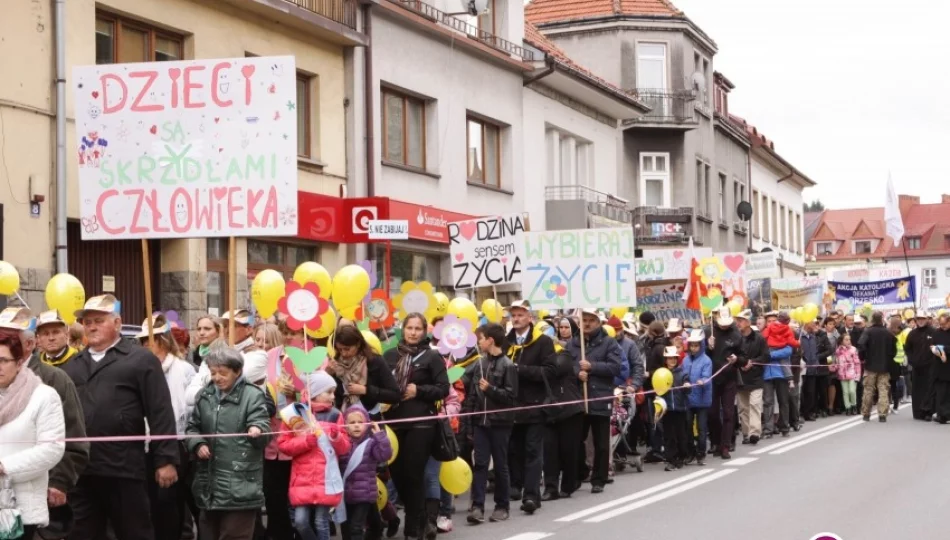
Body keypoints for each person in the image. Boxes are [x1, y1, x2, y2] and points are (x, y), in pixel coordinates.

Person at [62, 295, 179, 540]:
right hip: (83, 469)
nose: (91, 326)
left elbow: (160, 411)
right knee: (83, 533)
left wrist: (165, 459)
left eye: (98, 320)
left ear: (117, 323)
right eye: (87, 322)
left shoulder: (140, 359)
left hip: (124, 467)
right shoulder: (73, 366)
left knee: (133, 531)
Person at [1, 309, 88, 539]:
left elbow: (72, 437)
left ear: (28, 345)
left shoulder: (53, 382)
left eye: (9, 339)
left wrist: (60, 482)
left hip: (38, 491)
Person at [187, 347, 270, 540]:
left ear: (237, 371)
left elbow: (264, 427)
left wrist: (257, 429)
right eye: (213, 372)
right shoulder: (204, 396)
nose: (217, 378)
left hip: (240, 485)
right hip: (208, 485)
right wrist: (197, 444)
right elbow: (192, 428)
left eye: (223, 373)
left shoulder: (253, 395)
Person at [382, 313, 449, 540]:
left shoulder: (431, 357)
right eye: (409, 328)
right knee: (398, 476)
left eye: (417, 328)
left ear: (424, 331)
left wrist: (418, 391)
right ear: (403, 330)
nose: (413, 332)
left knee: (413, 474)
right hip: (394, 423)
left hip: (421, 423)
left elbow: (443, 388)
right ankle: (419, 518)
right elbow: (380, 385)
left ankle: (414, 528)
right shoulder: (390, 355)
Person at [135, 314, 197, 540]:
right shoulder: (140, 370)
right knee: (150, 501)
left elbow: (190, 407)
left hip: (176, 442)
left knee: (169, 501)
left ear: (161, 341)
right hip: (145, 443)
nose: (145, 346)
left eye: (149, 341)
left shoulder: (183, 369)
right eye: (143, 342)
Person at [0, 331, 66, 540]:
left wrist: (4, 468)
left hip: (18, 507)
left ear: (19, 363)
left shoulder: (43, 396)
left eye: (3, 360)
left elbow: (51, 449)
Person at [278, 371, 351, 540]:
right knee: (301, 522)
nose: (333, 396)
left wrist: (336, 437)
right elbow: (284, 445)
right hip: (302, 479)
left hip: (325, 478)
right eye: (329, 392)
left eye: (334, 392)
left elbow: (345, 448)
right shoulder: (294, 413)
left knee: (321, 522)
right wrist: (307, 441)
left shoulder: (335, 415)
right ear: (315, 393)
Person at [504, 300, 555, 515]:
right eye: (513, 315)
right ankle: (516, 486)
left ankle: (532, 495)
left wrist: (520, 370)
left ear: (529, 318)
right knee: (514, 450)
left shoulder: (542, 342)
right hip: (512, 407)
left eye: (520, 315)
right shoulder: (506, 342)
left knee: (533, 451)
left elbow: (550, 371)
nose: (516, 319)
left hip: (534, 406)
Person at [463, 323, 518, 524]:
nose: (479, 342)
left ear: (490, 340)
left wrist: (491, 389)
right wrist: (469, 424)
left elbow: (512, 397)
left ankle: (502, 506)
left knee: (501, 465)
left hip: (500, 424)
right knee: (480, 465)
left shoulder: (508, 366)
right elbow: (471, 397)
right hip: (480, 423)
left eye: (481, 338)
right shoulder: (479, 364)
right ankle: (477, 506)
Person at [566, 308, 622, 493]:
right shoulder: (573, 344)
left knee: (601, 442)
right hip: (579, 399)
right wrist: (576, 372)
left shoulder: (609, 343)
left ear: (598, 322)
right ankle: (578, 474)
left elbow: (615, 368)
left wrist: (592, 367)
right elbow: (565, 367)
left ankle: (599, 478)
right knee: (575, 440)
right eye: (584, 320)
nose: (587, 323)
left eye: (591, 320)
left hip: (600, 397)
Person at [339, 405, 393, 540]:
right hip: (346, 494)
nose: (356, 426)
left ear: (367, 424)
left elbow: (384, 455)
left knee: (356, 527)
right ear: (345, 426)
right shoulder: (343, 444)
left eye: (360, 422)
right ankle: (376, 530)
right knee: (347, 528)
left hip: (365, 493)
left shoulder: (371, 443)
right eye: (352, 423)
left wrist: (380, 436)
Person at [541, 348, 584, 500]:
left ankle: (568, 485)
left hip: (570, 410)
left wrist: (538, 367)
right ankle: (551, 488)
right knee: (549, 451)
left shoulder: (563, 354)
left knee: (569, 450)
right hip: (548, 411)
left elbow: (560, 367)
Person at [330, 325, 401, 414]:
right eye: (339, 349)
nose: (343, 353)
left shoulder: (375, 361)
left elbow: (395, 395)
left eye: (347, 349)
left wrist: (366, 390)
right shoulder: (335, 365)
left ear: (358, 344)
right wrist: (328, 374)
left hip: (371, 417)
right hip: (344, 418)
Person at [705, 306, 742, 460]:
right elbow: (700, 355)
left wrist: (737, 359)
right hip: (712, 377)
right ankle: (716, 441)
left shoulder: (736, 334)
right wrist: (708, 347)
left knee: (728, 413)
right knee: (712, 413)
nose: (724, 325)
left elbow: (743, 356)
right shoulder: (708, 332)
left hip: (729, 378)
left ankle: (726, 445)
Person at [734, 310, 768, 446]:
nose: (738, 323)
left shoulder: (759, 338)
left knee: (754, 405)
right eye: (737, 320)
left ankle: (754, 433)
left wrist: (751, 362)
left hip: (756, 378)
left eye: (741, 320)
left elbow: (766, 357)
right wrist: (740, 363)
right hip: (741, 378)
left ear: (748, 322)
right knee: (743, 408)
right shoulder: (736, 339)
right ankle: (746, 433)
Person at [858, 311, 897, 422]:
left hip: (870, 365)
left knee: (868, 390)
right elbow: (894, 349)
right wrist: (889, 359)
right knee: (883, 390)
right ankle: (882, 414)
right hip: (884, 366)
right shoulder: (888, 333)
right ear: (881, 319)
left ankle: (866, 413)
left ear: (872, 319)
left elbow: (861, 345)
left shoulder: (868, 331)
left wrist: (863, 357)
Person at [682, 330, 711, 465]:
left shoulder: (706, 360)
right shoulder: (685, 360)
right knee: (687, 426)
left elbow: (707, 376)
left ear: (701, 346)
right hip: (688, 399)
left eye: (696, 345)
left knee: (701, 428)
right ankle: (690, 452)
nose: (693, 348)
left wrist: (703, 381)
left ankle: (701, 452)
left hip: (702, 399)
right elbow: (683, 375)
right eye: (691, 345)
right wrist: (684, 382)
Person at [660, 346, 689, 471]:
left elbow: (688, 389)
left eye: (674, 358)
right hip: (667, 410)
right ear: (665, 360)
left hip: (680, 408)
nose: (672, 361)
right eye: (669, 358)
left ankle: (682, 455)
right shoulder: (661, 374)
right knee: (668, 435)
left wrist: (687, 385)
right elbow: (657, 391)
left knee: (681, 434)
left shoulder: (682, 373)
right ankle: (671, 459)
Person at [905, 311, 937, 421]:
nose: (921, 320)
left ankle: (928, 411)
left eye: (923, 318)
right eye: (918, 319)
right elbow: (907, 348)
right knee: (917, 390)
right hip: (917, 367)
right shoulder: (912, 333)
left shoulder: (933, 332)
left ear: (927, 319)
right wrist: (911, 359)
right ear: (915, 320)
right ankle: (918, 412)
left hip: (930, 366)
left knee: (929, 389)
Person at [799, 319, 831, 422]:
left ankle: (809, 413)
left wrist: (816, 361)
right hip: (802, 369)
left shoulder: (813, 337)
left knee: (811, 392)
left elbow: (816, 352)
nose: (815, 325)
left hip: (813, 368)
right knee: (802, 392)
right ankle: (801, 412)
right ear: (807, 323)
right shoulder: (800, 336)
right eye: (813, 323)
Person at [930, 313, 950, 424]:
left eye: (944, 324)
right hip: (939, 367)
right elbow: (932, 346)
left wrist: (944, 349)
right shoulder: (937, 333)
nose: (942, 326)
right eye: (940, 324)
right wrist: (936, 350)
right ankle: (942, 415)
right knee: (941, 393)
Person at [835, 333, 861, 416]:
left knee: (852, 391)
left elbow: (857, 363)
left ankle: (854, 405)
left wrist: (858, 375)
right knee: (845, 392)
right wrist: (834, 367)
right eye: (846, 339)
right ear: (842, 341)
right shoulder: (838, 350)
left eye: (849, 339)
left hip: (852, 373)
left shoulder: (853, 349)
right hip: (842, 374)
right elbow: (837, 362)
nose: (848, 341)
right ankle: (848, 408)